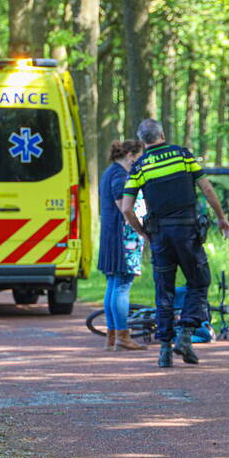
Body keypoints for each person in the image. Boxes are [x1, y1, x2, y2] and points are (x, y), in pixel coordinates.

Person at [121, 119, 229, 368]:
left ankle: (164, 351)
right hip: (188, 233)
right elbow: (207, 189)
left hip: (160, 236)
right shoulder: (182, 155)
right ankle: (185, 333)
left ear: (142, 141)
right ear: (162, 134)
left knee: (164, 292)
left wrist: (143, 233)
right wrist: (222, 219)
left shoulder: (139, 166)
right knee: (199, 281)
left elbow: (127, 208)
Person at [97, 140, 147, 352]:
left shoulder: (110, 172)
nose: (141, 162)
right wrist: (141, 230)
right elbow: (124, 207)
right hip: (123, 237)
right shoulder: (120, 175)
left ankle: (112, 335)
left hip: (111, 235)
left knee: (114, 284)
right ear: (130, 155)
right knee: (122, 285)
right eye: (139, 157)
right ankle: (122, 336)